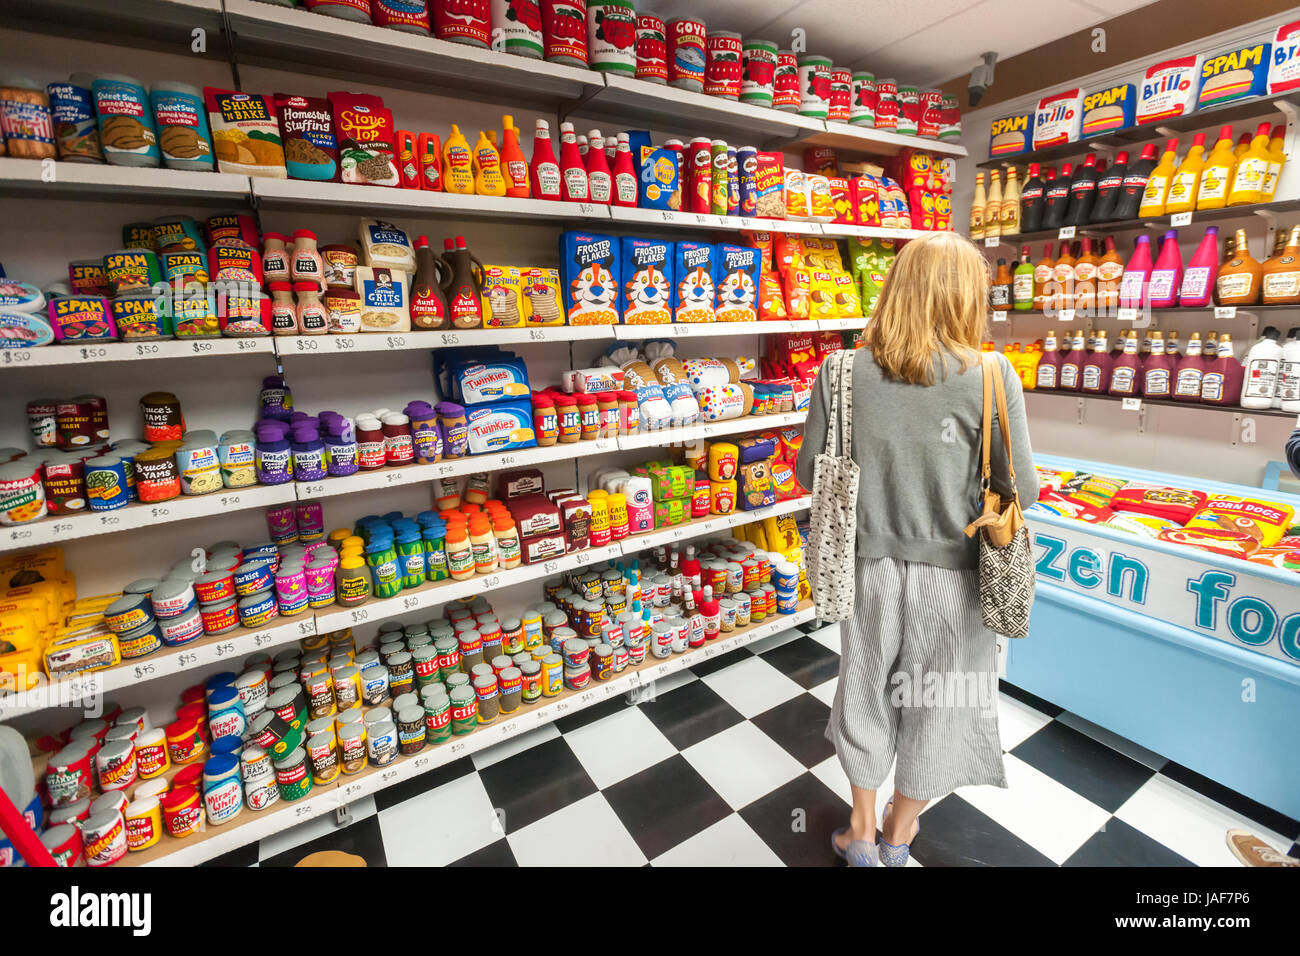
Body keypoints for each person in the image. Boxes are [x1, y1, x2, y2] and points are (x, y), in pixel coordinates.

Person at [795, 232, 1039, 867]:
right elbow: (1025, 491)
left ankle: (861, 834)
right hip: (955, 577)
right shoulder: (990, 373)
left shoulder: (840, 370)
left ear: (895, 288)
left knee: (865, 694)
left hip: (864, 568)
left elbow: (807, 472)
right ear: (966, 296)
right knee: (935, 703)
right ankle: (901, 839)